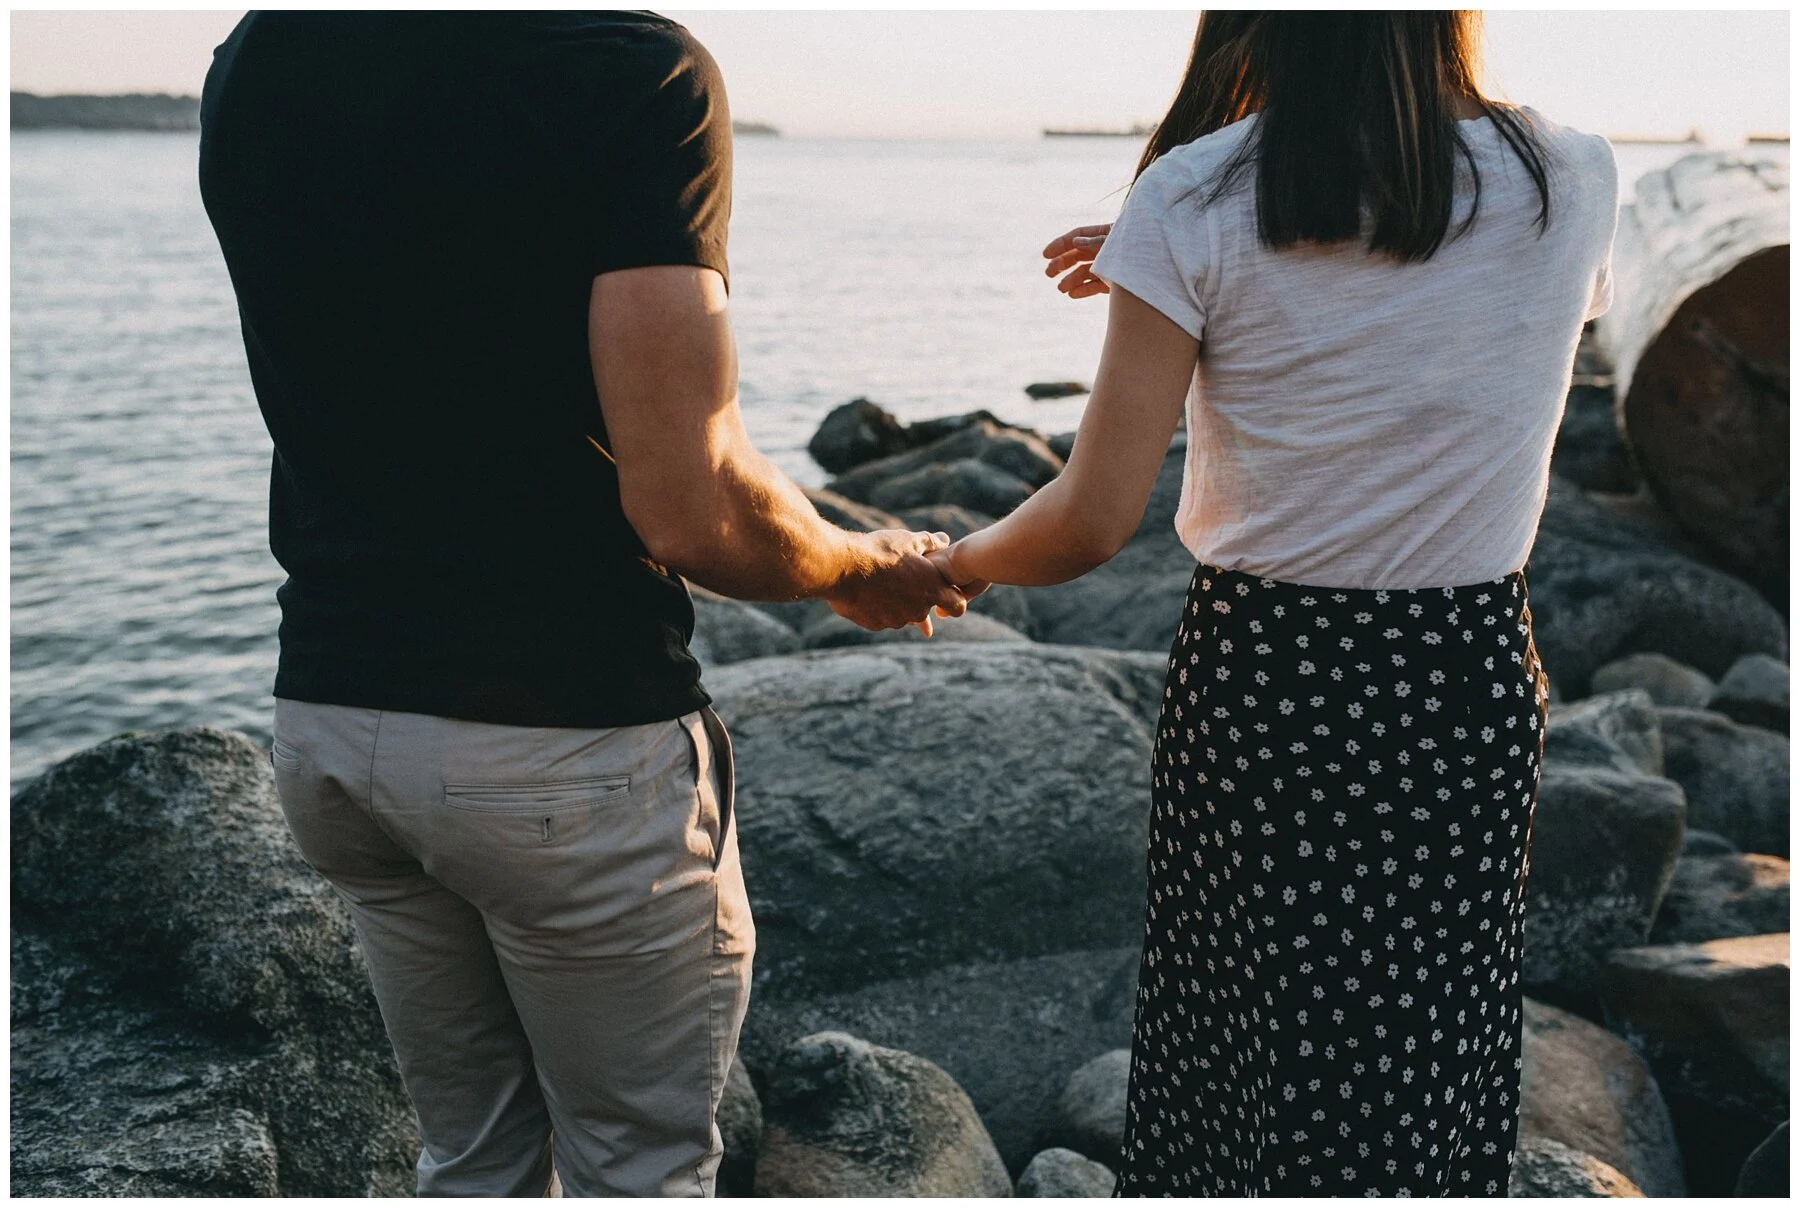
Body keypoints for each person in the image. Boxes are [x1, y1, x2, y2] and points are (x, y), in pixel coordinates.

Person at [198, 12, 967, 1198]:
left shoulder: (257, 57)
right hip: (562, 741)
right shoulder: (626, 69)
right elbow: (689, 500)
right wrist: (861, 568)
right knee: (638, 1169)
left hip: (333, 726)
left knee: (473, 1163)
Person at [928, 11, 1617, 1197]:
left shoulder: (1198, 195)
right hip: (1467, 675)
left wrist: (952, 560)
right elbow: (1450, 324)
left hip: (1270, 679)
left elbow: (1090, 519)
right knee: (1426, 1052)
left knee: (1249, 1055)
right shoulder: (1573, 176)